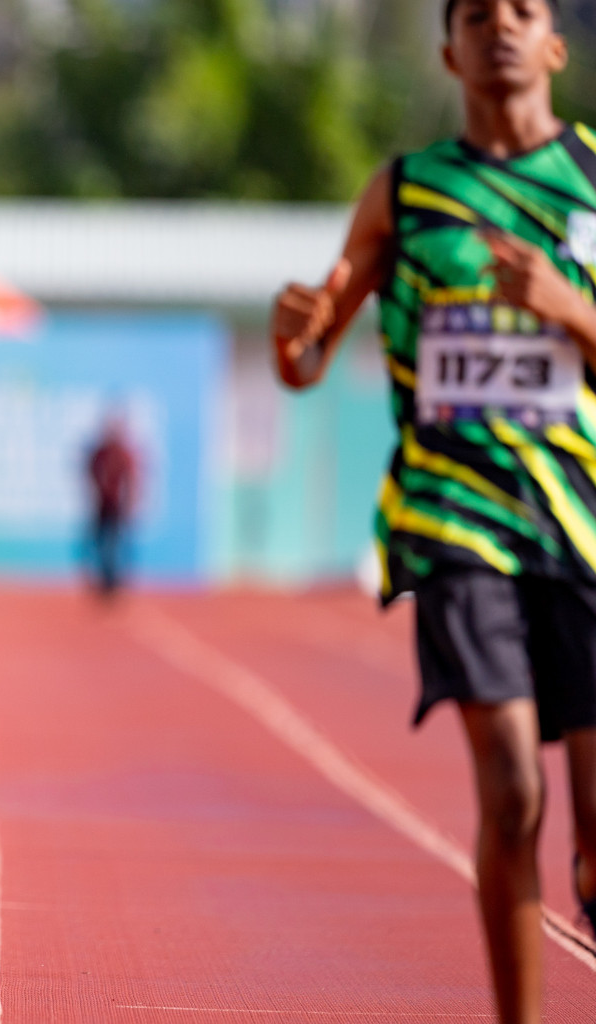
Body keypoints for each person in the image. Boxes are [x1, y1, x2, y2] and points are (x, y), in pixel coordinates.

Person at [272, 3, 596, 1020]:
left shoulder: (592, 178)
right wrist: (296, 338)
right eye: (476, 14)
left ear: (555, 44)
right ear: (449, 50)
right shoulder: (406, 194)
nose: (500, 25)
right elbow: (309, 358)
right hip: (454, 519)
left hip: (583, 527)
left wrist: (572, 306)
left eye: (524, 10)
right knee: (511, 789)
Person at [86, 415, 138, 598]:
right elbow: (90, 471)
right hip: (101, 506)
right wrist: (98, 489)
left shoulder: (124, 453)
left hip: (118, 508)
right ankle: (104, 580)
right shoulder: (100, 453)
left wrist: (129, 504)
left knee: (115, 545)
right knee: (100, 544)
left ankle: (113, 583)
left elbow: (131, 479)